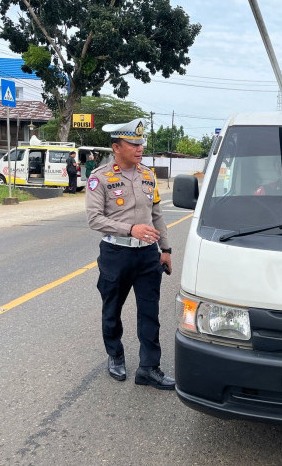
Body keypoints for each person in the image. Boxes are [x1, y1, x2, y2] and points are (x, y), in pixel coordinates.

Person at [85, 118, 175, 390]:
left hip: (147, 255)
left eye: (141, 143)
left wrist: (166, 249)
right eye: (133, 143)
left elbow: (157, 214)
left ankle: (149, 368)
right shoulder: (99, 178)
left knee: (150, 312)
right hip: (116, 253)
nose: (139, 148)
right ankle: (115, 355)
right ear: (116, 147)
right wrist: (130, 229)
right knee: (112, 309)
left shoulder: (148, 175)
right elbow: (94, 219)